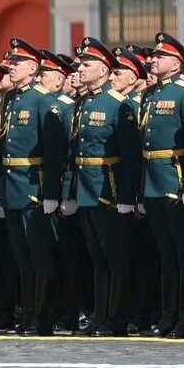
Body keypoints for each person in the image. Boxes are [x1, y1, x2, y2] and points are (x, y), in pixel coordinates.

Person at [139, 32, 184, 337]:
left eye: (159, 56)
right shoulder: (150, 95)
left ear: (176, 62)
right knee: (166, 253)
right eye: (152, 56)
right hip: (154, 183)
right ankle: (168, 315)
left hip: (176, 183)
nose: (152, 60)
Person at [70, 39, 142, 336]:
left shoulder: (118, 105)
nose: (81, 69)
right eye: (81, 64)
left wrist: (126, 196)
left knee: (116, 258)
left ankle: (117, 318)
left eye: (87, 64)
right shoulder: (85, 102)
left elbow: (131, 156)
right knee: (97, 258)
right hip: (87, 189)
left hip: (108, 191)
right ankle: (101, 315)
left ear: (103, 70)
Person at [0, 39, 68, 336]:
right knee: (22, 257)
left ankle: (43, 315)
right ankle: (28, 312)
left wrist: (51, 193)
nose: (11, 67)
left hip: (33, 188)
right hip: (12, 187)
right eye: (10, 63)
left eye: (17, 63)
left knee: (39, 255)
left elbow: (54, 153)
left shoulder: (44, 102)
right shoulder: (11, 99)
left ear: (32, 68)